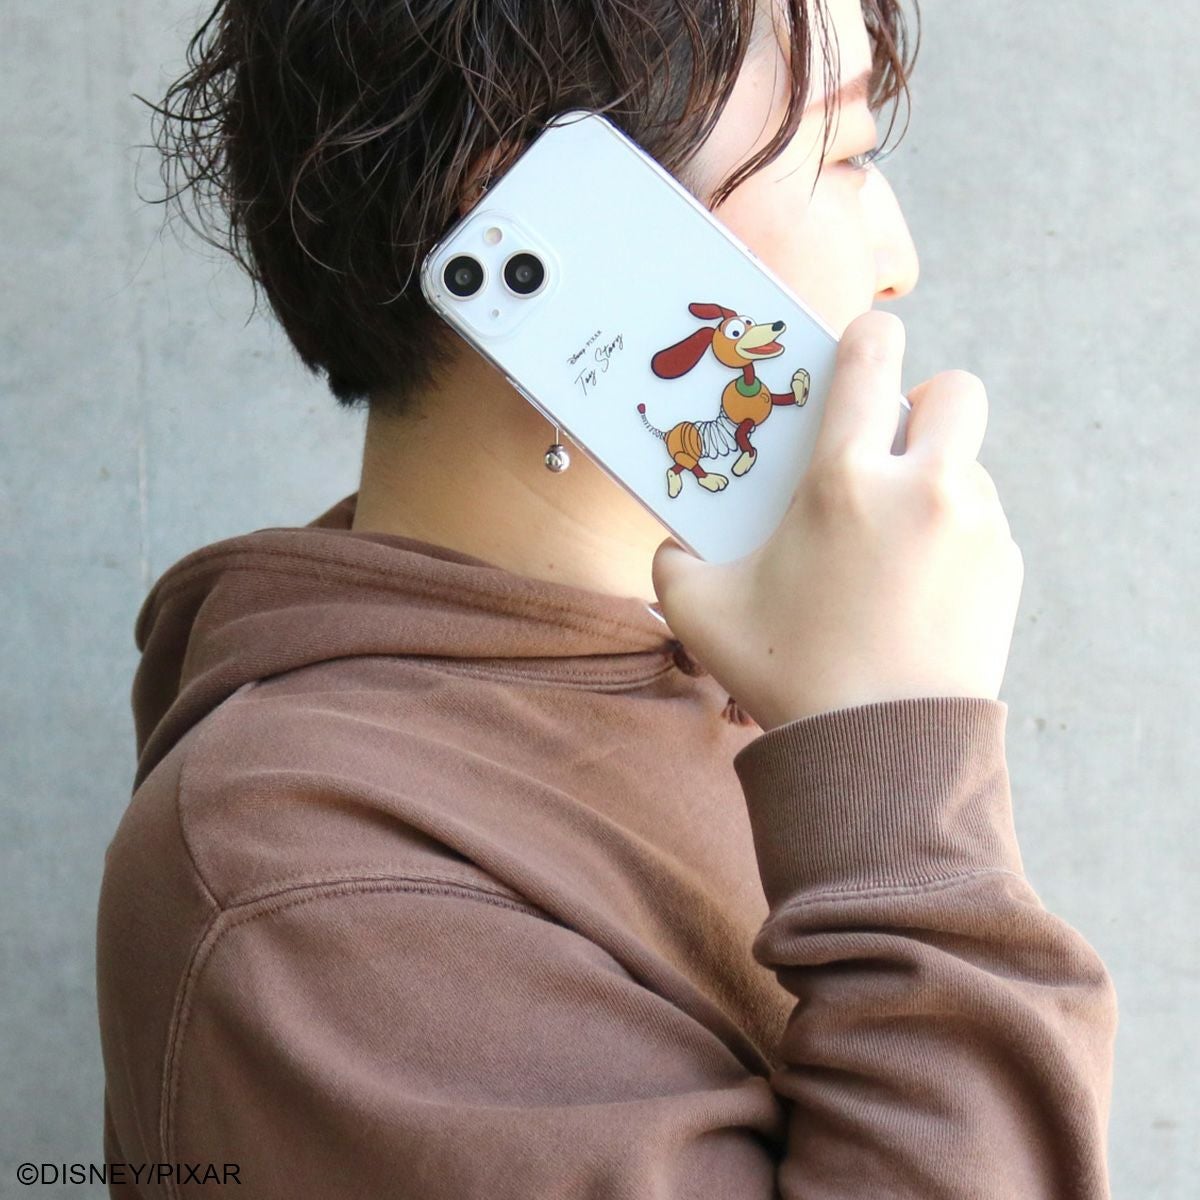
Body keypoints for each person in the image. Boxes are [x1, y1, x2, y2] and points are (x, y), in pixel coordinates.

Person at [96, 0, 1118, 1196]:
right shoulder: (312, 887)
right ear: (534, 209)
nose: (899, 256)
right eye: (847, 154)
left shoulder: (744, 664)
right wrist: (898, 762)